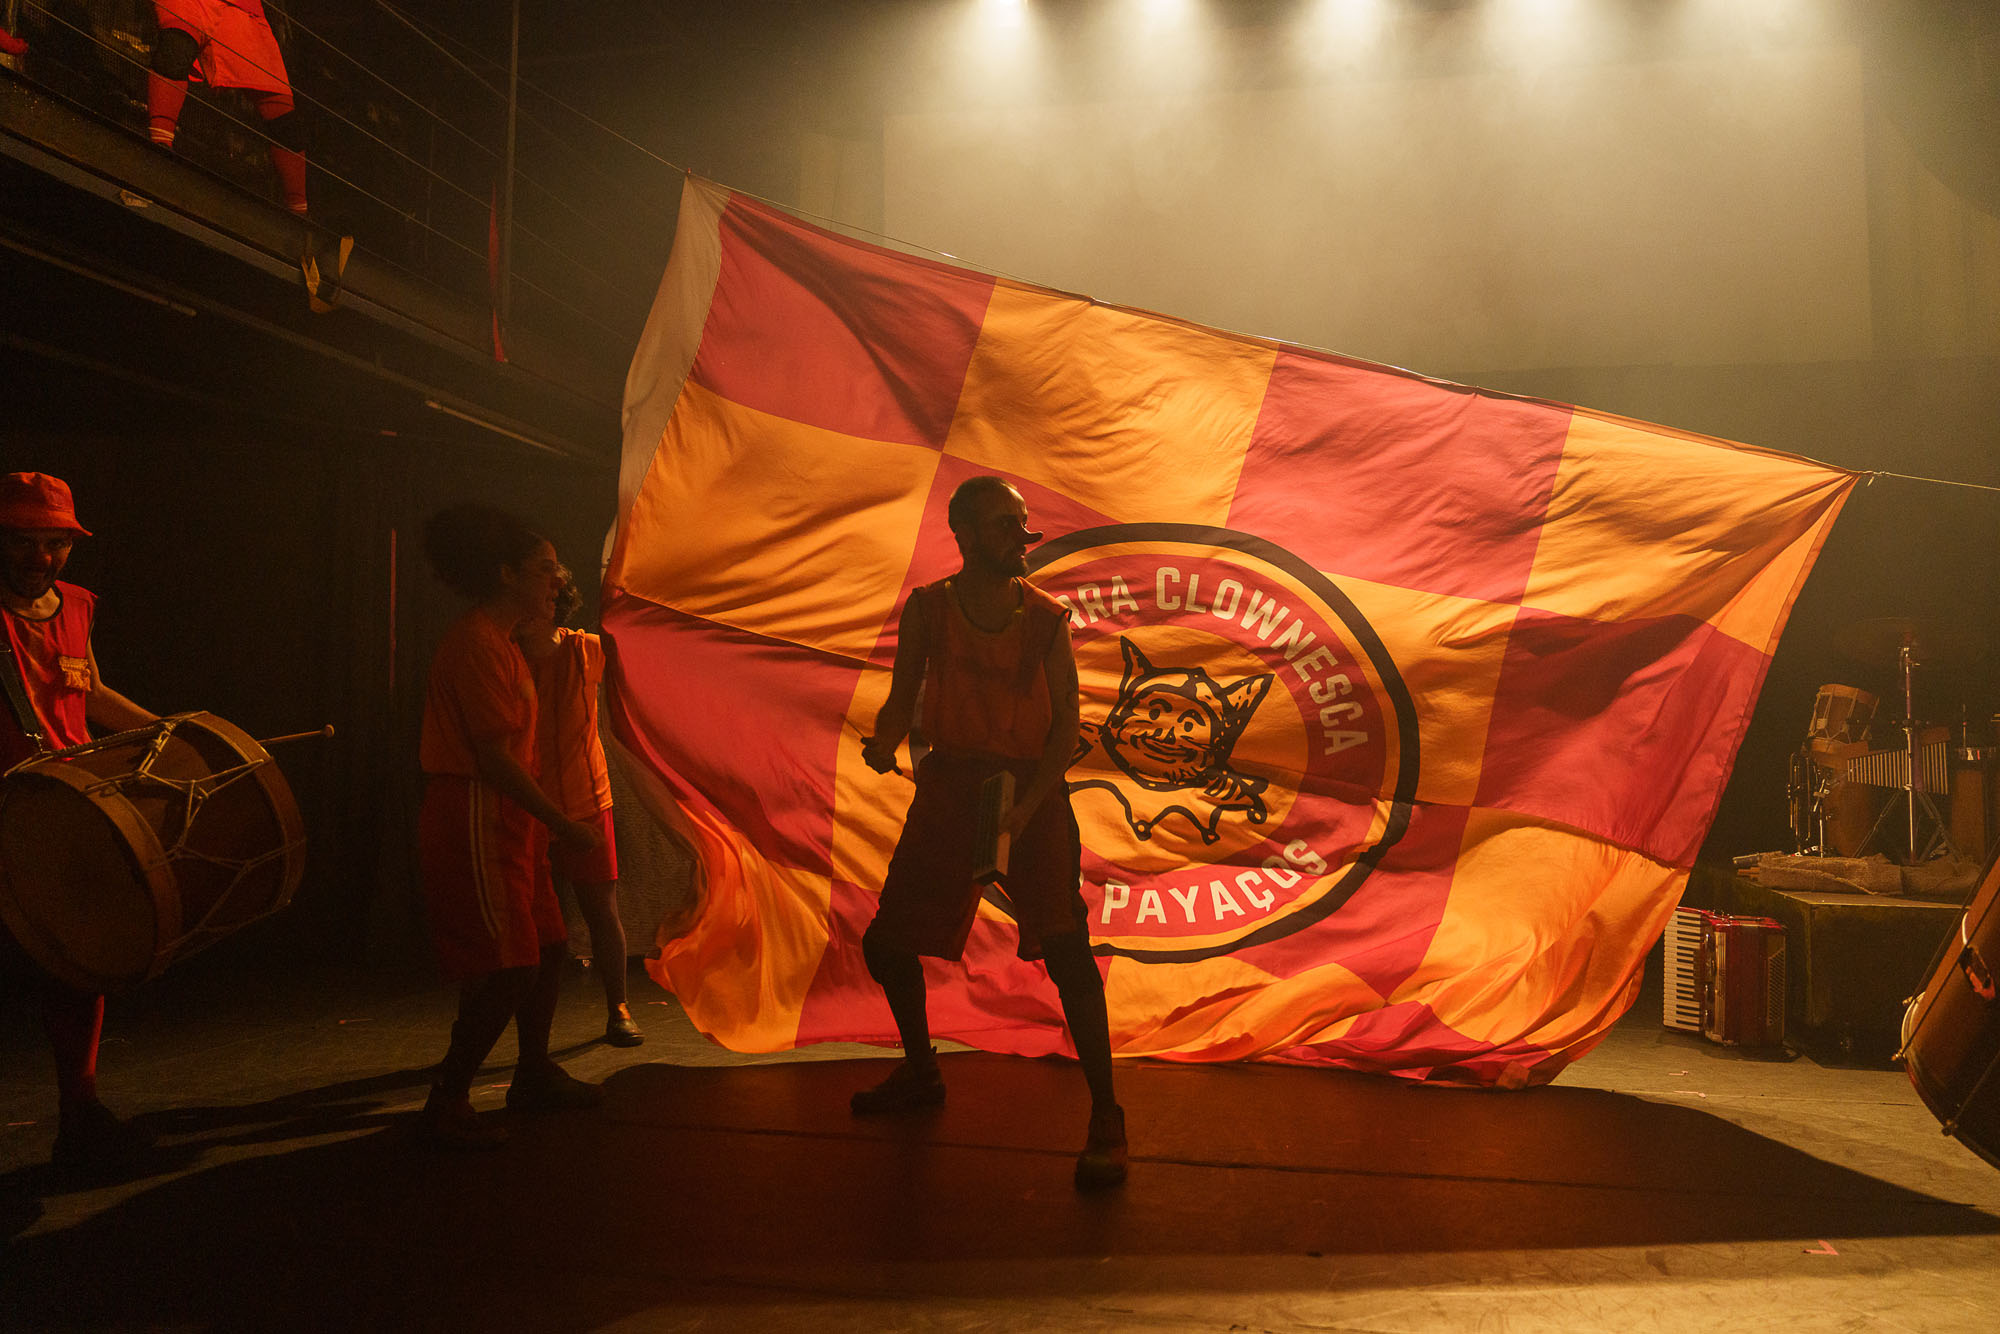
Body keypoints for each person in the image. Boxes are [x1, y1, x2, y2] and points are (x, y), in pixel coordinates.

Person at [853, 475, 1127, 1189]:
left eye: (1023, 523)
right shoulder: (929, 609)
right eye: (1006, 524)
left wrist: (1028, 807)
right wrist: (883, 741)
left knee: (1066, 951)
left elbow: (1066, 722)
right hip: (952, 789)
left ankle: (1107, 1115)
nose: (1022, 536)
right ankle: (922, 1071)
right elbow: (901, 698)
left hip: (1029, 790)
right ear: (966, 535)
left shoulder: (1046, 619)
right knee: (886, 944)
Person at [415, 504, 606, 1150]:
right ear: (505, 574)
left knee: (548, 948)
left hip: (511, 819)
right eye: (543, 568)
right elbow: (495, 759)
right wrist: (560, 820)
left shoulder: (507, 644)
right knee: (509, 965)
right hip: (477, 813)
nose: (557, 580)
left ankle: (533, 1073)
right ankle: (448, 1098)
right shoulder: (476, 645)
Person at [0, 472, 160, 1172]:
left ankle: (80, 1113)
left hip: (70, 811)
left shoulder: (77, 606)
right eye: (23, 541)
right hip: (9, 810)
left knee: (80, 962)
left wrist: (172, 731)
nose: (40, 557)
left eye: (55, 543)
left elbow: (88, 691)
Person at [514, 574, 643, 1048]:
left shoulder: (584, 648)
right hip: (529, 805)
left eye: (549, 596)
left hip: (587, 800)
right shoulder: (506, 656)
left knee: (601, 911)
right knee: (531, 923)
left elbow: (636, 647)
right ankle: (532, 1036)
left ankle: (619, 1008)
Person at [146, 1, 309, 216]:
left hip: (243, 9)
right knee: (176, 47)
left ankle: (299, 212)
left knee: (281, 112)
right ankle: (158, 151)